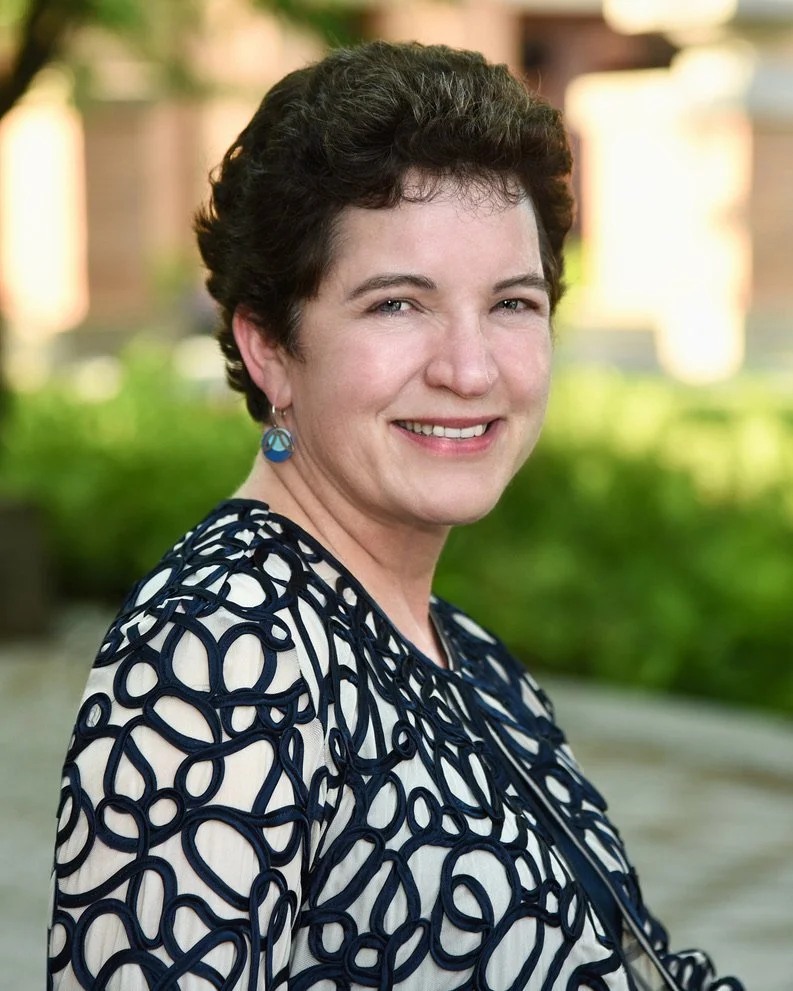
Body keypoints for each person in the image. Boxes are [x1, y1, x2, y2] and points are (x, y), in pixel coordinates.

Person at [47, 41, 745, 991]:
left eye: (511, 302)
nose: (469, 369)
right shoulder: (218, 654)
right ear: (270, 348)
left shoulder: (459, 647)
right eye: (398, 305)